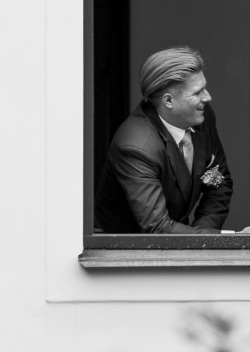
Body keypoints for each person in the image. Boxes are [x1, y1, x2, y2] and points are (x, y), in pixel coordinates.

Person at [94, 47, 234, 234]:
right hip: (125, 245)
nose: (207, 97)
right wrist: (221, 240)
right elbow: (158, 227)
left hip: (179, 240)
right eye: (197, 92)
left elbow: (219, 184)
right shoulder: (136, 147)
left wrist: (203, 236)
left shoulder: (201, 116)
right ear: (168, 101)